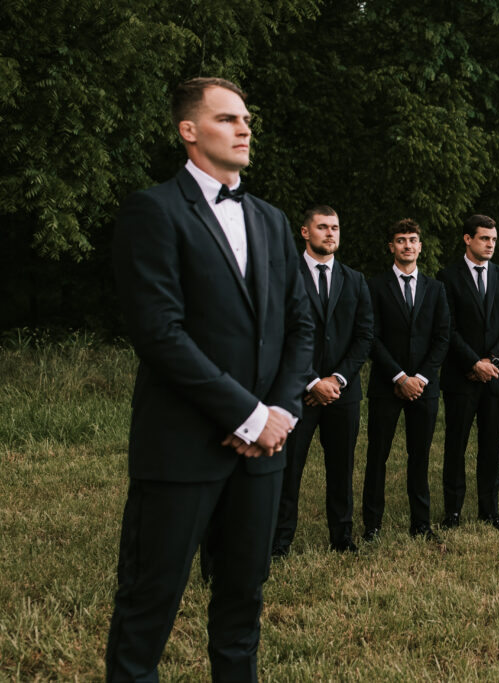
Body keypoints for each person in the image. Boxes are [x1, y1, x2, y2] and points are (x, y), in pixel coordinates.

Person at [106, 77, 314, 680]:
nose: (244, 128)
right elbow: (161, 334)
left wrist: (278, 416)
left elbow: (301, 327)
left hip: (263, 456)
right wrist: (245, 416)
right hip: (181, 450)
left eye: (246, 118)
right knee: (148, 607)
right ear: (188, 131)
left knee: (242, 605)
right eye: (227, 119)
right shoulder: (153, 210)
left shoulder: (274, 221)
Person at [271, 206, 373, 557]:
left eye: (335, 227)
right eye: (323, 227)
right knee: (288, 470)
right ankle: (279, 540)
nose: (330, 233)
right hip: (297, 393)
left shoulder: (355, 280)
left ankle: (341, 537)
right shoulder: (285, 276)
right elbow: (278, 333)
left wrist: (337, 379)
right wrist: (311, 381)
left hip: (343, 393)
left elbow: (364, 336)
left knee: (341, 468)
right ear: (305, 232)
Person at [362, 219, 450, 540]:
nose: (408, 245)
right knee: (377, 456)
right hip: (387, 385)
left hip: (424, 388)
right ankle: (371, 525)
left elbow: (442, 338)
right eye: (401, 240)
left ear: (420, 246)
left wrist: (421, 377)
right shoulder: (374, 286)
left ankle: (421, 524)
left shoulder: (436, 288)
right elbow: (371, 336)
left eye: (413, 239)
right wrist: (400, 377)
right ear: (392, 247)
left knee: (420, 457)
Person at [436, 215, 499, 531]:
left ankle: (489, 509)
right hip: (462, 376)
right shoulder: (447, 277)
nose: (490, 244)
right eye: (484, 238)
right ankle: (453, 512)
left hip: (497, 378)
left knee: (491, 445)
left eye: (494, 239)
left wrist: (493, 361)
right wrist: (474, 363)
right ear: (467, 239)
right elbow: (448, 327)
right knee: (455, 446)